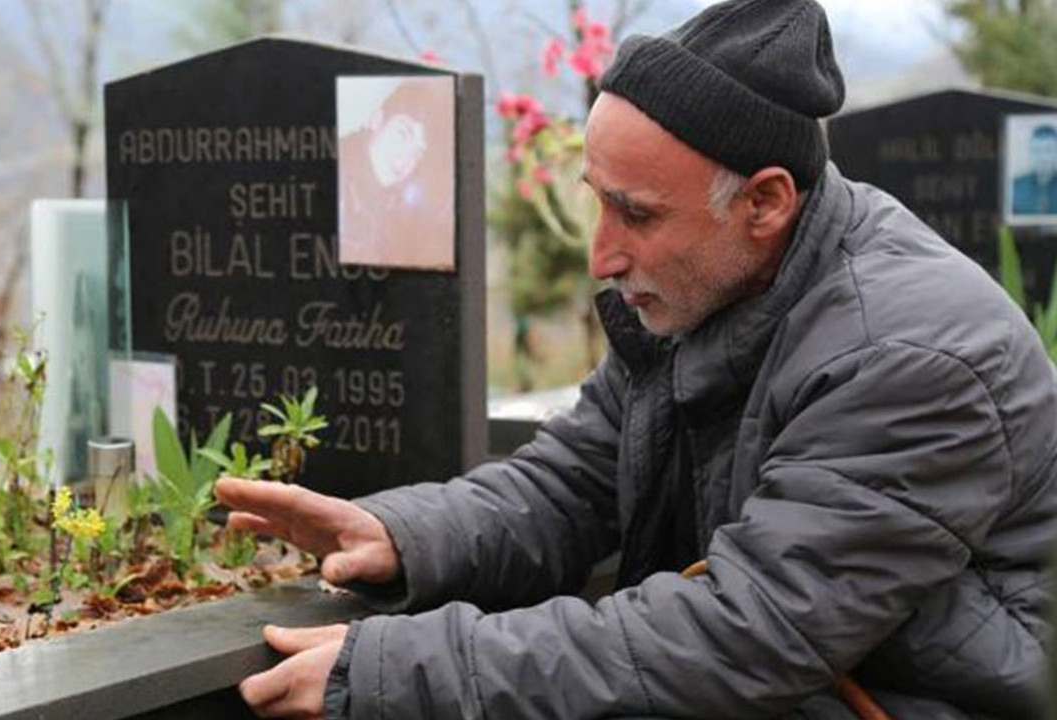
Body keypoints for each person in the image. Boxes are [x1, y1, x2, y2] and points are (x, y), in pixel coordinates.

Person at [216, 0, 1057, 717]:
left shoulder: (909, 356)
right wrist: (403, 532)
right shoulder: (705, 288)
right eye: (598, 203)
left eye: (638, 214)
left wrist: (396, 671)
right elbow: (574, 481)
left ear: (764, 202)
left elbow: (747, 632)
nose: (603, 256)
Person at [337, 77, 456, 269]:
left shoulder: (394, 208)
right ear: (377, 120)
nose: (406, 159)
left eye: (417, 153)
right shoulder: (336, 177)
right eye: (403, 134)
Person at [1012, 123, 1057, 216]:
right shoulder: (1016, 187)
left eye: (1048, 150)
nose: (1042, 157)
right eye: (1036, 150)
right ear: (1030, 152)